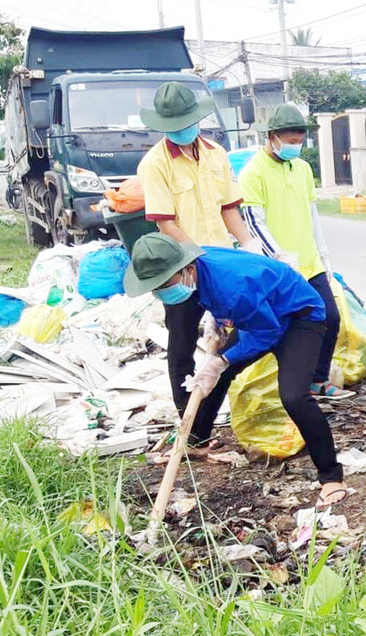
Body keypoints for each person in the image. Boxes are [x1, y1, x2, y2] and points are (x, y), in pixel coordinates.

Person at [124, 234, 347, 507]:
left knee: (293, 396)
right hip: (260, 314)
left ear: (187, 270)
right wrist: (216, 320)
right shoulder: (196, 269)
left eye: (165, 285)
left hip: (300, 318)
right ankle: (197, 443)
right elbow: (231, 305)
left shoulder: (232, 285)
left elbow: (268, 332)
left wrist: (222, 359)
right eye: (155, 287)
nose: (162, 292)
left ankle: (331, 475)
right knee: (215, 378)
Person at [137, 81, 265, 450]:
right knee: (181, 345)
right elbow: (166, 222)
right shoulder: (155, 164)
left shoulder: (215, 154)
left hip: (223, 264)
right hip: (182, 268)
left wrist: (248, 245)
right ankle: (190, 428)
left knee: (232, 340)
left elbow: (229, 209)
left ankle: (210, 414)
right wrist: (197, 262)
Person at [238, 103, 350, 400]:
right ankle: (284, 388)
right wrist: (278, 257)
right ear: (272, 137)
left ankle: (318, 379)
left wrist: (324, 256)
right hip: (278, 269)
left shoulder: (302, 168)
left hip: (309, 263)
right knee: (287, 328)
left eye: (299, 142)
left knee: (330, 318)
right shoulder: (253, 173)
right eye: (290, 142)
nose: (295, 147)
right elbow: (253, 222)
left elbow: (311, 213)